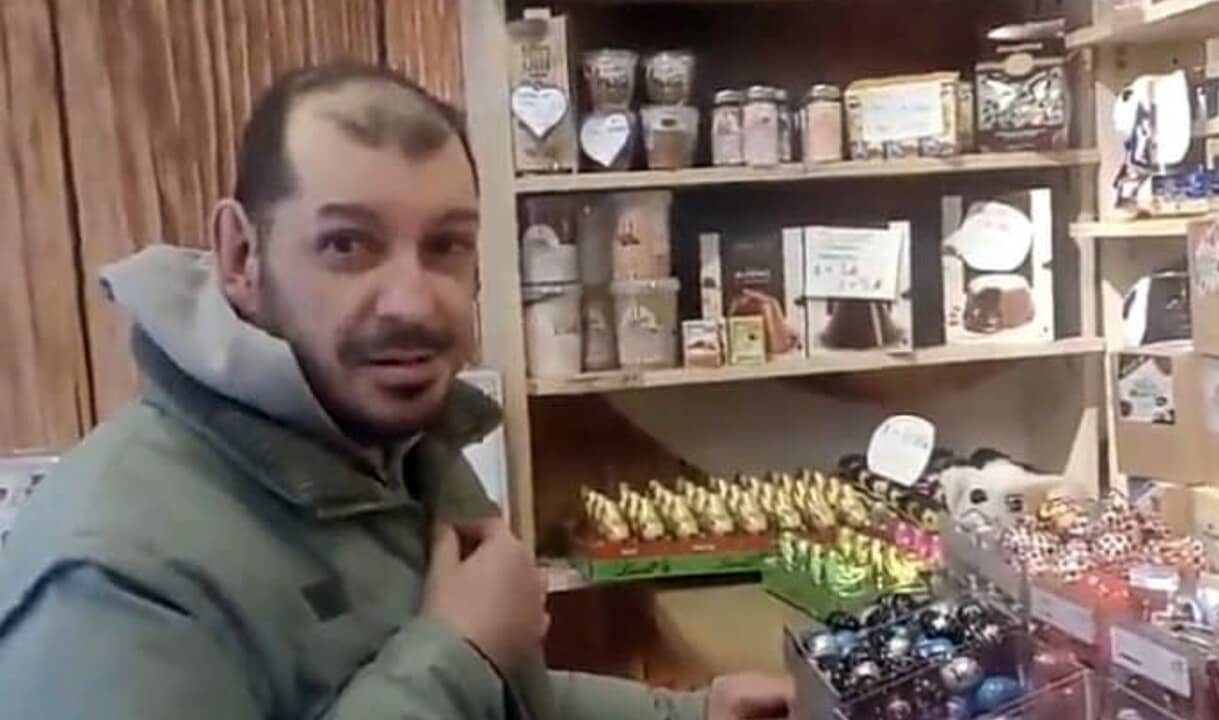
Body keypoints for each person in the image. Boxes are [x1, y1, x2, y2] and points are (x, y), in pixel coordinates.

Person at [0, 63, 793, 720]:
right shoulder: (111, 576)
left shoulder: (391, 447)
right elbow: (461, 672)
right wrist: (457, 653)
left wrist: (691, 713)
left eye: (446, 245)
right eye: (347, 244)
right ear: (241, 255)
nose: (413, 302)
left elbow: (500, 701)